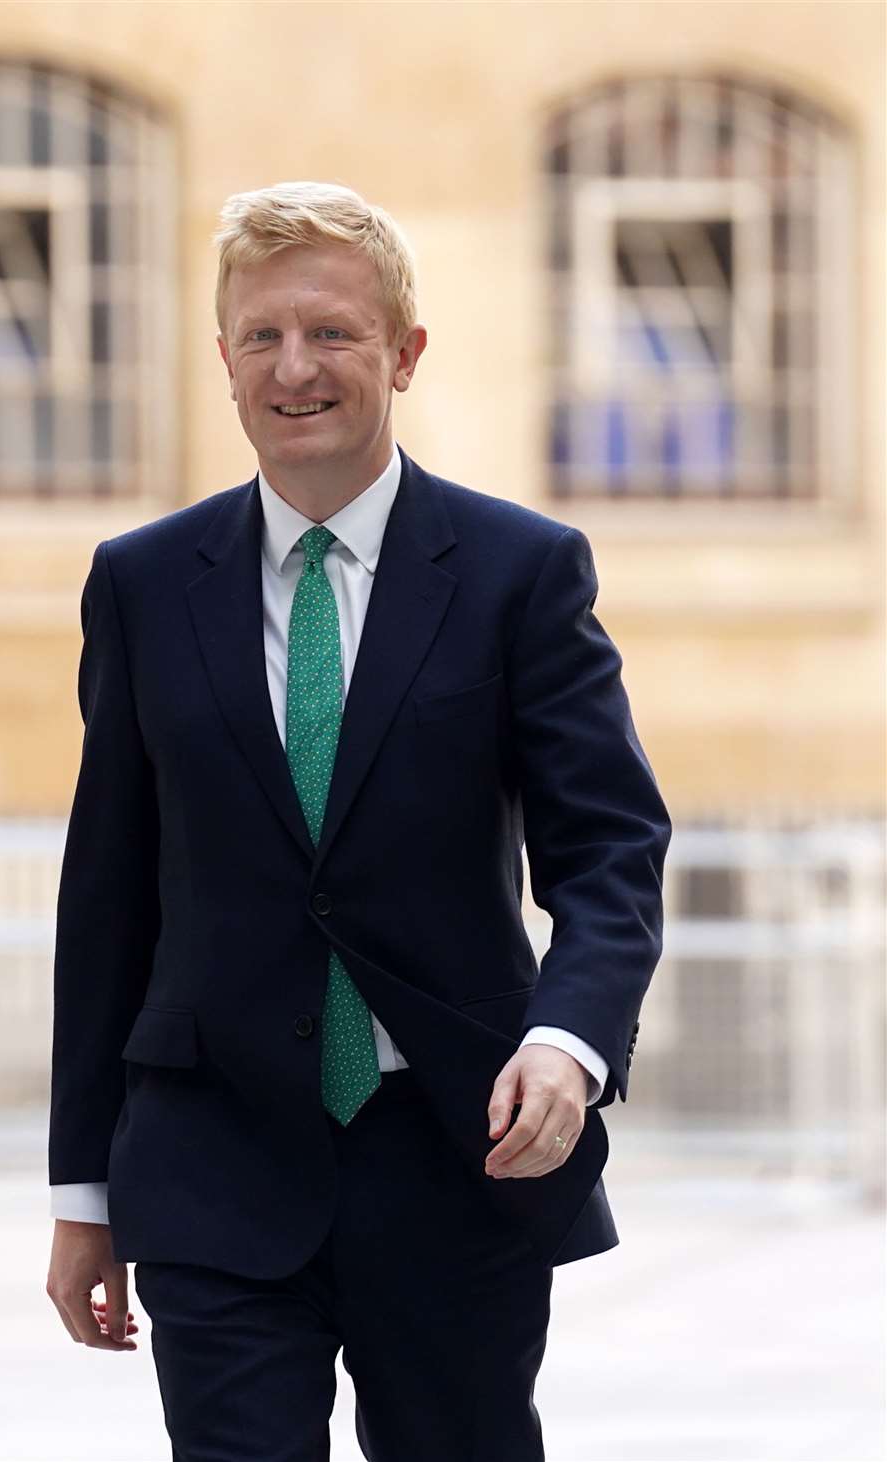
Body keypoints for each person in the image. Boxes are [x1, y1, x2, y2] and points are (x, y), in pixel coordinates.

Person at [45, 180, 671, 1460]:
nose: (296, 368)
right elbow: (109, 894)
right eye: (263, 336)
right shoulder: (144, 583)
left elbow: (610, 850)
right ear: (223, 358)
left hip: (456, 1149)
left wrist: (571, 1036)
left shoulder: (520, 572)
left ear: (404, 352)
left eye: (332, 332)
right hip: (214, 1155)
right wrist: (82, 1191)